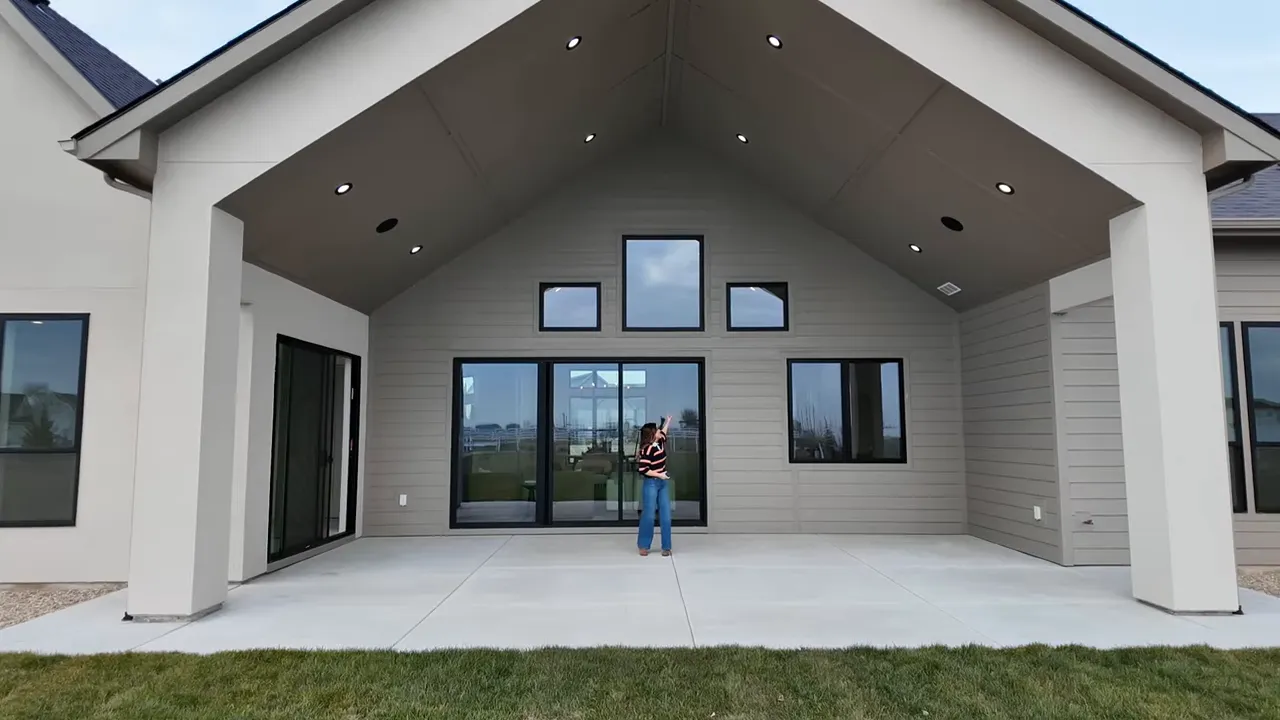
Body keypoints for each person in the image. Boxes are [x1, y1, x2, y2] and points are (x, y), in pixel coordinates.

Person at [636, 415, 673, 557]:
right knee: (649, 515)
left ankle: (666, 547)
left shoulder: (660, 442)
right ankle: (643, 545)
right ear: (652, 434)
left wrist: (668, 421)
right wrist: (659, 475)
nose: (659, 431)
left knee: (666, 515)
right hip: (651, 483)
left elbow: (664, 432)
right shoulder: (647, 450)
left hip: (662, 483)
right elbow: (643, 470)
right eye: (656, 430)